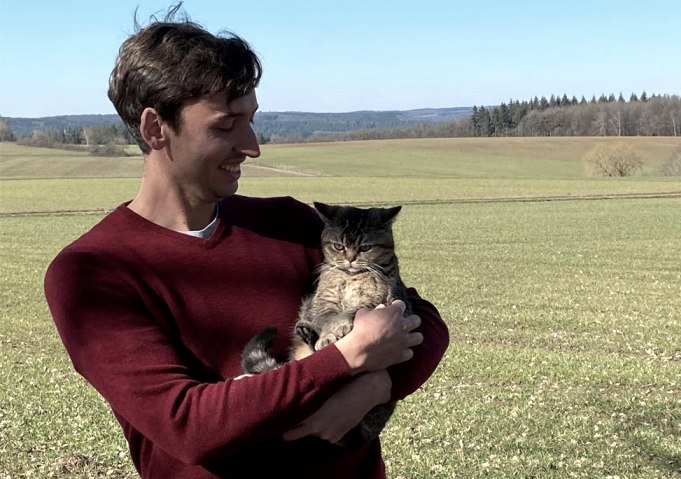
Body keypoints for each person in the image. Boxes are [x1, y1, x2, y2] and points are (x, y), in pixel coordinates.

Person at [42, 7, 448, 479]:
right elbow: (188, 424)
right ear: (156, 128)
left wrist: (377, 386)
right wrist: (346, 362)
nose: (252, 146)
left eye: (251, 120)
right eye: (225, 125)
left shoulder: (291, 223)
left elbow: (423, 323)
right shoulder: (93, 273)